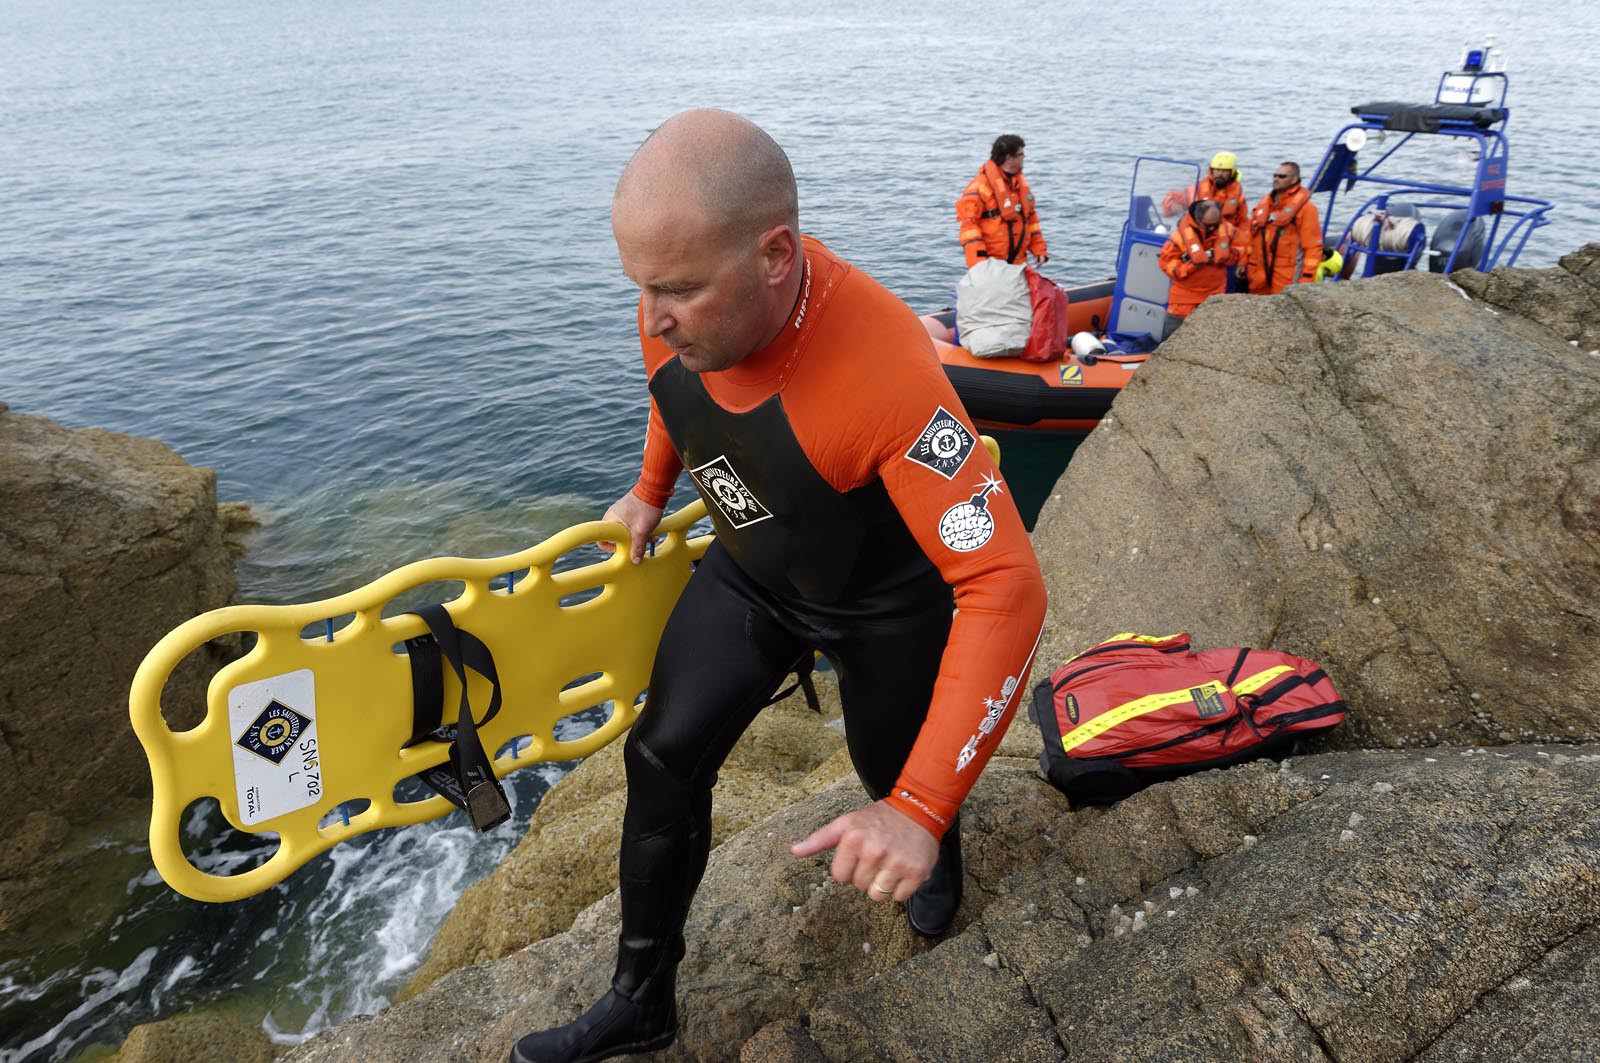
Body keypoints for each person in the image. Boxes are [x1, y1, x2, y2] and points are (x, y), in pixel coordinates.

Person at [509, 109, 1048, 1063]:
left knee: (897, 774)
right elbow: (680, 394)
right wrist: (648, 490)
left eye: (675, 289)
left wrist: (919, 809)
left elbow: (1007, 583)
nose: (653, 316)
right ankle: (641, 998)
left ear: (776, 255)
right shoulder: (678, 312)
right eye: (639, 287)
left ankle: (938, 850)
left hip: (886, 607)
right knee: (661, 759)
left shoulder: (886, 370)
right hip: (754, 572)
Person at [956, 134, 1049, 268]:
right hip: (992, 265)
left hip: (1018, 263)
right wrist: (979, 264)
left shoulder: (1019, 185)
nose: (1024, 157)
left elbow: (1031, 220)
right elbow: (969, 228)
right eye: (1020, 154)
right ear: (1009, 157)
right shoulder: (979, 187)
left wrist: (1039, 249)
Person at [1240, 161, 1322, 295]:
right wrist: (1243, 261)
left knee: (1285, 310)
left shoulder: (1306, 209)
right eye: (1275, 176)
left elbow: (1313, 247)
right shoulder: (1264, 205)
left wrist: (1307, 278)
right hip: (1259, 272)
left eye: (1282, 176)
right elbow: (1250, 236)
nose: (1276, 179)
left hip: (1287, 275)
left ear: (1294, 179)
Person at [1157, 198, 1240, 320]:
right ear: (1197, 219)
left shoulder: (1228, 231)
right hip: (1183, 299)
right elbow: (1166, 264)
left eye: (1214, 225)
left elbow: (1240, 251)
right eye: (1208, 225)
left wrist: (1221, 256)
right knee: (1173, 335)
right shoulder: (1179, 237)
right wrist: (1191, 266)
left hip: (1214, 296)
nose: (1212, 229)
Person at [1161, 151, 1249, 232]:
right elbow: (1174, 200)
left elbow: (1243, 223)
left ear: (1232, 173)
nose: (1220, 174)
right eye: (1217, 170)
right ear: (1212, 170)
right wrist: (1174, 208)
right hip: (1198, 234)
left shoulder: (1238, 198)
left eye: (1224, 171)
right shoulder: (1200, 187)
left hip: (1224, 237)